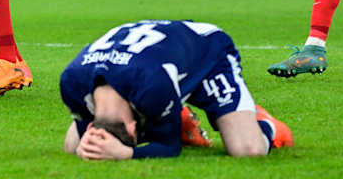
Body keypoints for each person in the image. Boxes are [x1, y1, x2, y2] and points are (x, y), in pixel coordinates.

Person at [61, 20, 293, 160]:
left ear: (134, 129)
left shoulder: (151, 87)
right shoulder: (71, 81)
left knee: (249, 150)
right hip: (157, 59)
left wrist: (128, 154)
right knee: (73, 146)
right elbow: (86, 139)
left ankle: (266, 123)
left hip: (207, 52)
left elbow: (170, 147)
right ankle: (175, 115)